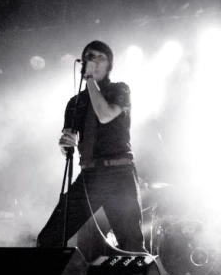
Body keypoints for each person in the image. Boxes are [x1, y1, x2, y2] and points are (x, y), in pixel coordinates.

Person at [37, 40, 146, 255]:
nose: (93, 60)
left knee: (131, 246)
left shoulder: (119, 89)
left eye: (100, 57)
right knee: (49, 238)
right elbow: (69, 141)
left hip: (118, 174)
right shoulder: (75, 102)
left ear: (109, 65)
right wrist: (65, 144)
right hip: (89, 177)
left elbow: (105, 115)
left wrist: (89, 78)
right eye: (89, 56)